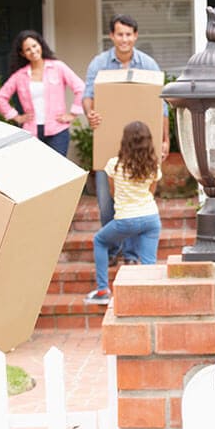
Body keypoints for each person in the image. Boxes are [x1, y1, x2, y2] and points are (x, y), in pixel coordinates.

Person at [82, 14, 170, 265]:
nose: (124, 39)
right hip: (108, 144)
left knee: (137, 202)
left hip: (141, 147)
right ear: (112, 36)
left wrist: (165, 140)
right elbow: (88, 96)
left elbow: (161, 107)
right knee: (106, 202)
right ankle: (111, 252)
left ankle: (131, 256)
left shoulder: (148, 65)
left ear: (136, 36)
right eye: (119, 34)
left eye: (129, 34)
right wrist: (90, 113)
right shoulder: (99, 64)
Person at [85, 121, 162, 305]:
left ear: (124, 141)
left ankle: (103, 290)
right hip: (151, 218)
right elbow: (152, 192)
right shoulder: (153, 166)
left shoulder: (114, 165)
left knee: (100, 241)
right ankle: (150, 299)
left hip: (125, 219)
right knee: (148, 264)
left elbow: (112, 193)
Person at [0, 29, 85, 157]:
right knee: (36, 172)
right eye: (27, 49)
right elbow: (0, 98)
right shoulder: (20, 75)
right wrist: (17, 117)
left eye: (34, 46)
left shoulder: (58, 67)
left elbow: (81, 88)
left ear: (40, 45)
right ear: (22, 53)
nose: (33, 51)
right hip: (31, 132)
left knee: (58, 171)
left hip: (57, 130)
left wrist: (73, 114)